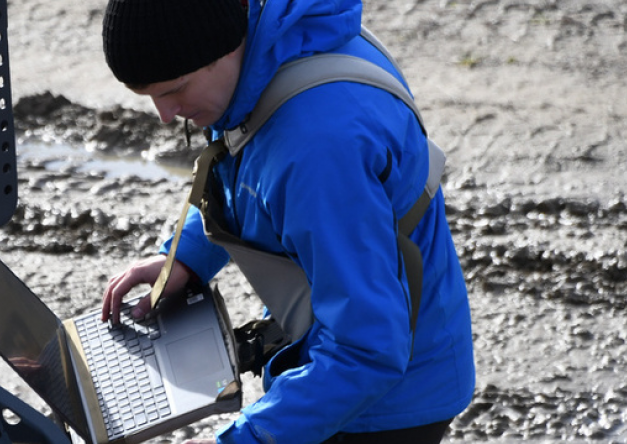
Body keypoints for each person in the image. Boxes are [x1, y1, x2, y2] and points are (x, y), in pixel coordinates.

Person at [97, 0, 476, 443]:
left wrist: (247, 437)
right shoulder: (268, 51)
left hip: (384, 406)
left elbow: (368, 348)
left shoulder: (316, 149)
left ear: (222, 46)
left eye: (174, 90)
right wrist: (185, 257)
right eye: (150, 97)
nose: (164, 115)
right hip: (354, 358)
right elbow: (246, 171)